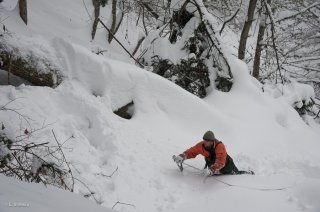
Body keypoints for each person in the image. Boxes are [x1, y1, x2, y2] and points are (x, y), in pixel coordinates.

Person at [173, 131, 252, 176]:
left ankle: (248, 173)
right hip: (213, 164)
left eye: (208, 141)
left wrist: (211, 170)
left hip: (226, 163)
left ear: (212, 141)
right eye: (204, 140)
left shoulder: (219, 146)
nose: (205, 142)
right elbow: (192, 151)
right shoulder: (201, 145)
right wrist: (182, 156)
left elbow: (221, 162)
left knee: (235, 174)